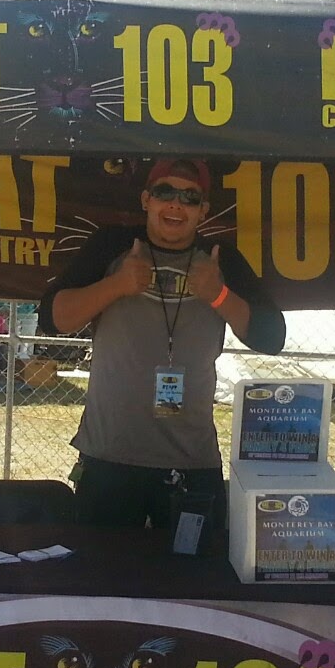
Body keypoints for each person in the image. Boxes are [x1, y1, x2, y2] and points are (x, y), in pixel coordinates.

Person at [41, 158, 285, 529]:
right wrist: (117, 285)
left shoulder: (219, 258)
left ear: (203, 210)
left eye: (190, 197)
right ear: (146, 200)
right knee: (101, 563)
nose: (175, 204)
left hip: (191, 463)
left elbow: (272, 338)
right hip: (109, 458)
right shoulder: (113, 245)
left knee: (193, 565)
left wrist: (218, 295)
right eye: (164, 192)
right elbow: (53, 319)